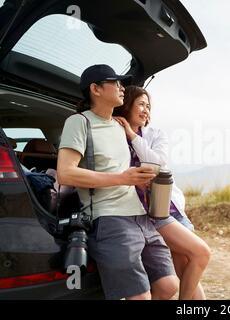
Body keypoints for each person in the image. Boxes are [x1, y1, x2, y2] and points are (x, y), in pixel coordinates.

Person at [57, 65, 179, 300]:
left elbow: (120, 168)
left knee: (169, 286)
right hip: (110, 218)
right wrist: (123, 178)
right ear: (96, 89)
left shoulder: (119, 125)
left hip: (141, 217)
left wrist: (138, 181)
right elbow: (65, 173)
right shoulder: (79, 122)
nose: (122, 88)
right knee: (140, 297)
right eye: (116, 82)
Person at [113, 85, 211, 300]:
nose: (146, 110)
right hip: (147, 213)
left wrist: (131, 135)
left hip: (169, 207)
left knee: (188, 262)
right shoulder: (113, 134)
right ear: (127, 105)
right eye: (140, 104)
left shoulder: (155, 134)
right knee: (195, 257)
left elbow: (157, 163)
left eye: (148, 106)